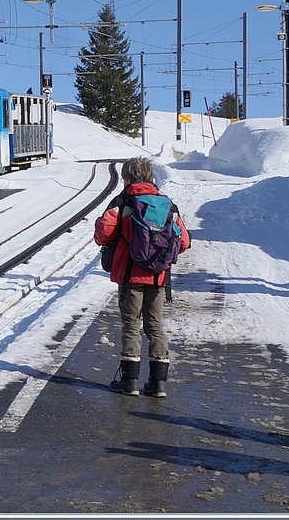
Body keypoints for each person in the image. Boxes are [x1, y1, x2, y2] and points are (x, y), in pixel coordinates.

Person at [94, 157, 191, 397]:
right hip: (158, 277)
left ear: (127, 177)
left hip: (130, 276)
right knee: (155, 325)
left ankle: (130, 382)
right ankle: (158, 384)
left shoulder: (122, 202)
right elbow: (185, 241)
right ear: (150, 176)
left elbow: (103, 234)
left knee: (131, 325)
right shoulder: (168, 205)